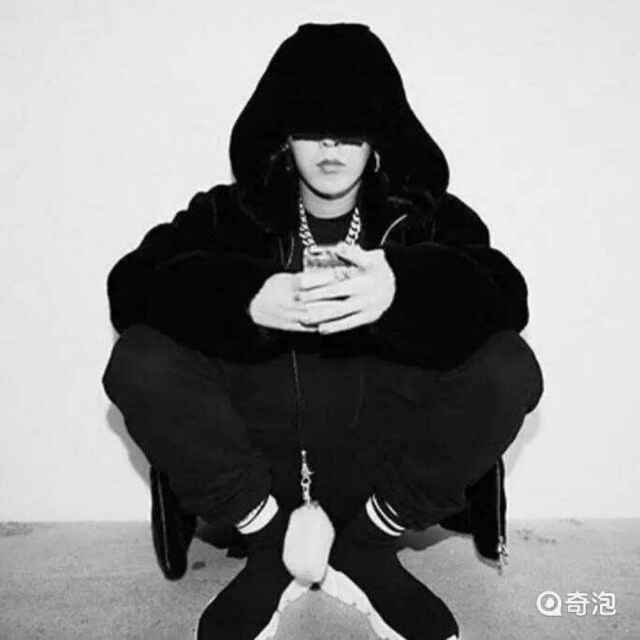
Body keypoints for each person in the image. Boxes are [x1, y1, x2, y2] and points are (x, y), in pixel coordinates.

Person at [101, 22, 543, 640]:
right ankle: (272, 547)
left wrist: (405, 289)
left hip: (384, 478)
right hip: (264, 481)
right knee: (138, 360)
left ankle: (366, 548)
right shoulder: (229, 215)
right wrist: (242, 299)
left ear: (379, 136)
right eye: (312, 128)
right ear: (284, 136)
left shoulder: (426, 220)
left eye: (351, 129)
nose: (331, 146)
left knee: (509, 367)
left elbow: (508, 297)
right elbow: (130, 286)